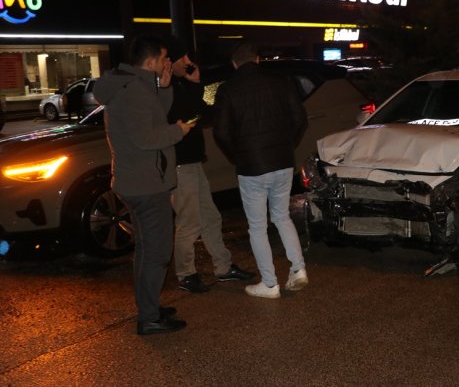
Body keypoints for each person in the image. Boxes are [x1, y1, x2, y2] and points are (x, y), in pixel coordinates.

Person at [93, 35, 193, 335]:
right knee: (158, 253)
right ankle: (149, 318)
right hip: (146, 186)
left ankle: (149, 308)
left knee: (147, 251)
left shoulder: (135, 85)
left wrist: (163, 86)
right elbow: (147, 138)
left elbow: (154, 117)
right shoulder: (133, 90)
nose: (168, 62)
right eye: (164, 57)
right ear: (150, 61)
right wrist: (178, 131)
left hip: (138, 181)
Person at [213, 43, 309, 299]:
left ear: (234, 64)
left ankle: (269, 284)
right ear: (258, 59)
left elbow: (220, 132)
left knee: (257, 226)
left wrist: (237, 155)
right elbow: (300, 118)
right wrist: (288, 144)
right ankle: (298, 269)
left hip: (252, 167)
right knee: (282, 217)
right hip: (282, 161)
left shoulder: (228, 89)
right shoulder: (280, 82)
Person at [163, 35, 256, 294]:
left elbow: (206, 110)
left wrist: (195, 84)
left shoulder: (182, 85)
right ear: (170, 60)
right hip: (180, 165)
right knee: (189, 222)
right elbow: (192, 113)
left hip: (192, 162)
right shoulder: (166, 88)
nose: (189, 61)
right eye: (184, 57)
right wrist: (195, 85)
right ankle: (186, 274)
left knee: (210, 217)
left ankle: (223, 267)